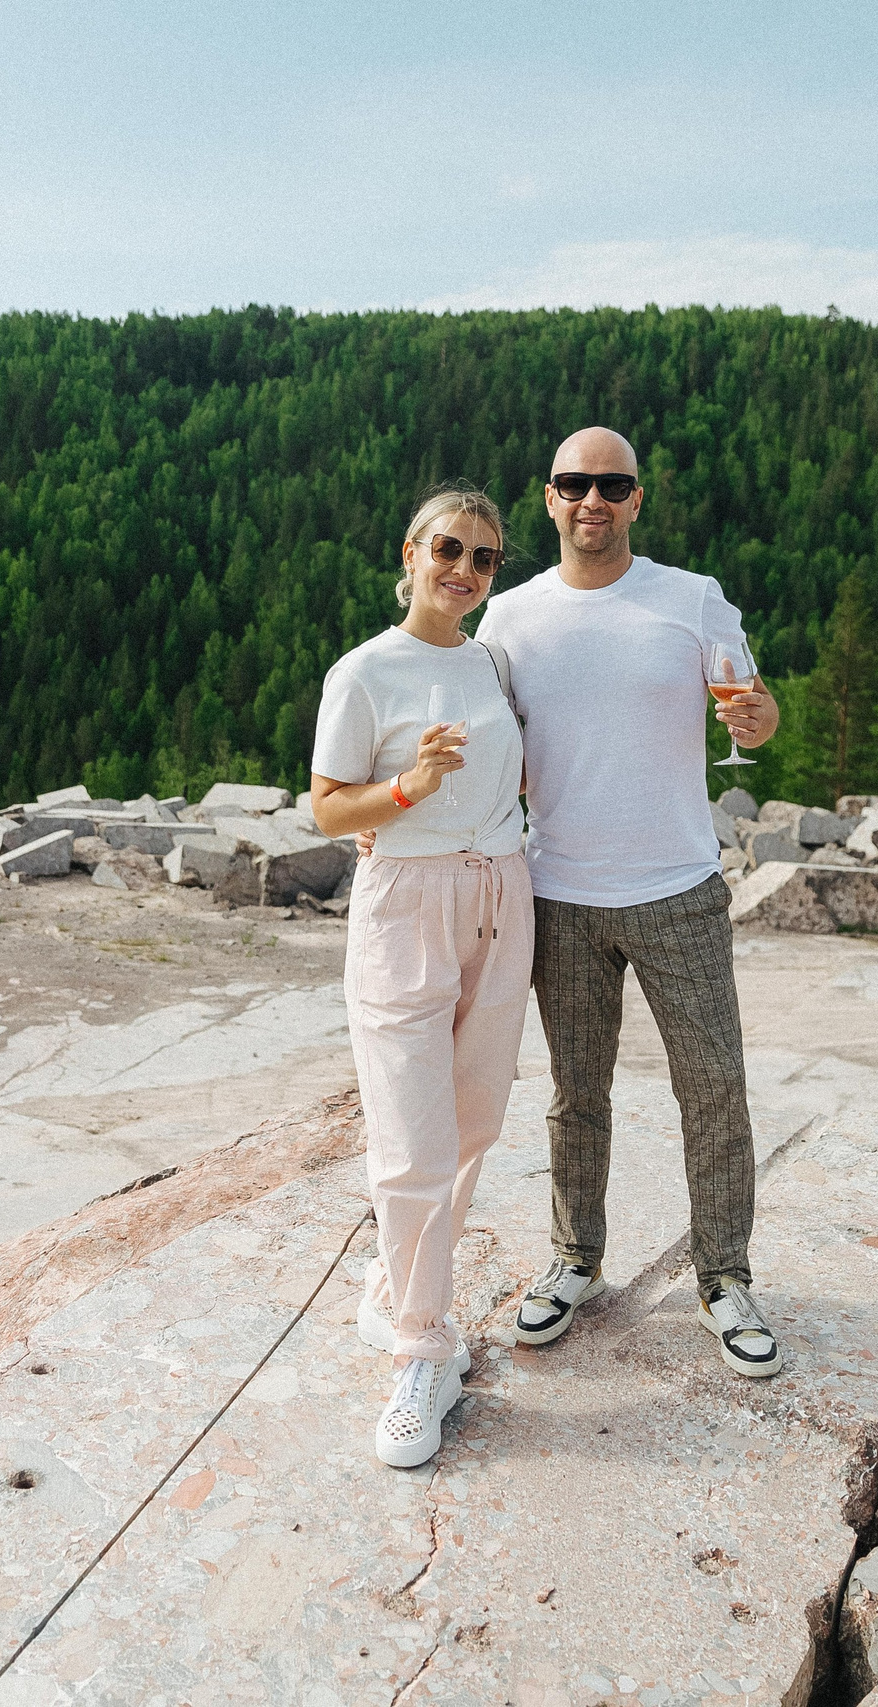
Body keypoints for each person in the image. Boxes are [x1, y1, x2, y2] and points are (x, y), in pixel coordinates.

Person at [474, 427, 787, 1377]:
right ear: (549, 497)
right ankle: (576, 1258)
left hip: (678, 888)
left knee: (715, 1086)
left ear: (637, 500)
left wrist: (759, 718)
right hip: (560, 891)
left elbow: (757, 711)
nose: (593, 500)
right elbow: (487, 746)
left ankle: (724, 1276)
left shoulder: (691, 598)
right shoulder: (509, 618)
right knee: (577, 1093)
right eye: (574, 484)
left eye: (612, 485)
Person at [309, 483, 533, 1468]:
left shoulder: (489, 662)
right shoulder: (364, 672)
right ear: (410, 553)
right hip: (406, 904)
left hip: (501, 896)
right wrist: (409, 787)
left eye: (483, 558)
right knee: (411, 1135)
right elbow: (327, 809)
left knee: (474, 1117)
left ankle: (393, 1287)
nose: (464, 570)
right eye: (449, 548)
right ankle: (421, 1353)